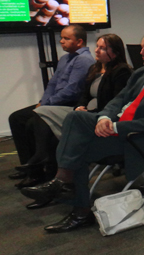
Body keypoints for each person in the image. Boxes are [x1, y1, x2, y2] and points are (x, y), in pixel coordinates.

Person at [20, 32, 144, 233]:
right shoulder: (142, 73)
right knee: (75, 120)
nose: (141, 52)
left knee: (77, 143)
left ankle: (69, 195)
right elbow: (119, 99)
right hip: (116, 128)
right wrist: (105, 118)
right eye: (142, 47)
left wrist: (115, 127)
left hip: (139, 140)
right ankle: (69, 193)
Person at [17, 34, 132, 193]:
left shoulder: (122, 71)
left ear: (116, 52)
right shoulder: (95, 68)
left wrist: (88, 112)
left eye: (103, 48)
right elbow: (84, 95)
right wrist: (80, 106)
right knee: (40, 113)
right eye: (97, 46)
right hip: (83, 110)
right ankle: (43, 160)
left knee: (54, 125)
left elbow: (116, 101)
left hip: (99, 115)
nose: (97, 50)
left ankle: (50, 168)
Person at [8, 24, 95, 181]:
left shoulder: (83, 60)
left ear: (79, 41)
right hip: (53, 102)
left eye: (66, 38)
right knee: (16, 118)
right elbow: (52, 84)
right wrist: (43, 101)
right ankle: (30, 167)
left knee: (31, 122)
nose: (61, 41)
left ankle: (36, 170)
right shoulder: (64, 59)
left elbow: (72, 91)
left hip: (68, 104)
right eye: (61, 38)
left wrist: (47, 104)